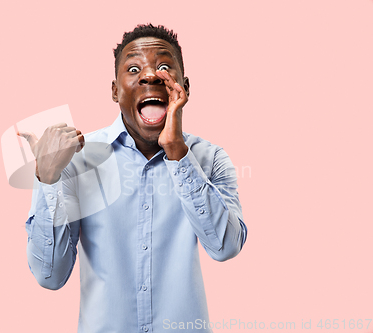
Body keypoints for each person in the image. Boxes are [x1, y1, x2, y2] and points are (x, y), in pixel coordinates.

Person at [18, 23, 247, 333]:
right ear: (115, 90)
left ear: (185, 87)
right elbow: (50, 276)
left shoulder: (211, 158)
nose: (150, 75)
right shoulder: (73, 161)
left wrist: (178, 153)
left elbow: (225, 247)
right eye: (134, 68)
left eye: (164, 67)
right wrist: (48, 177)